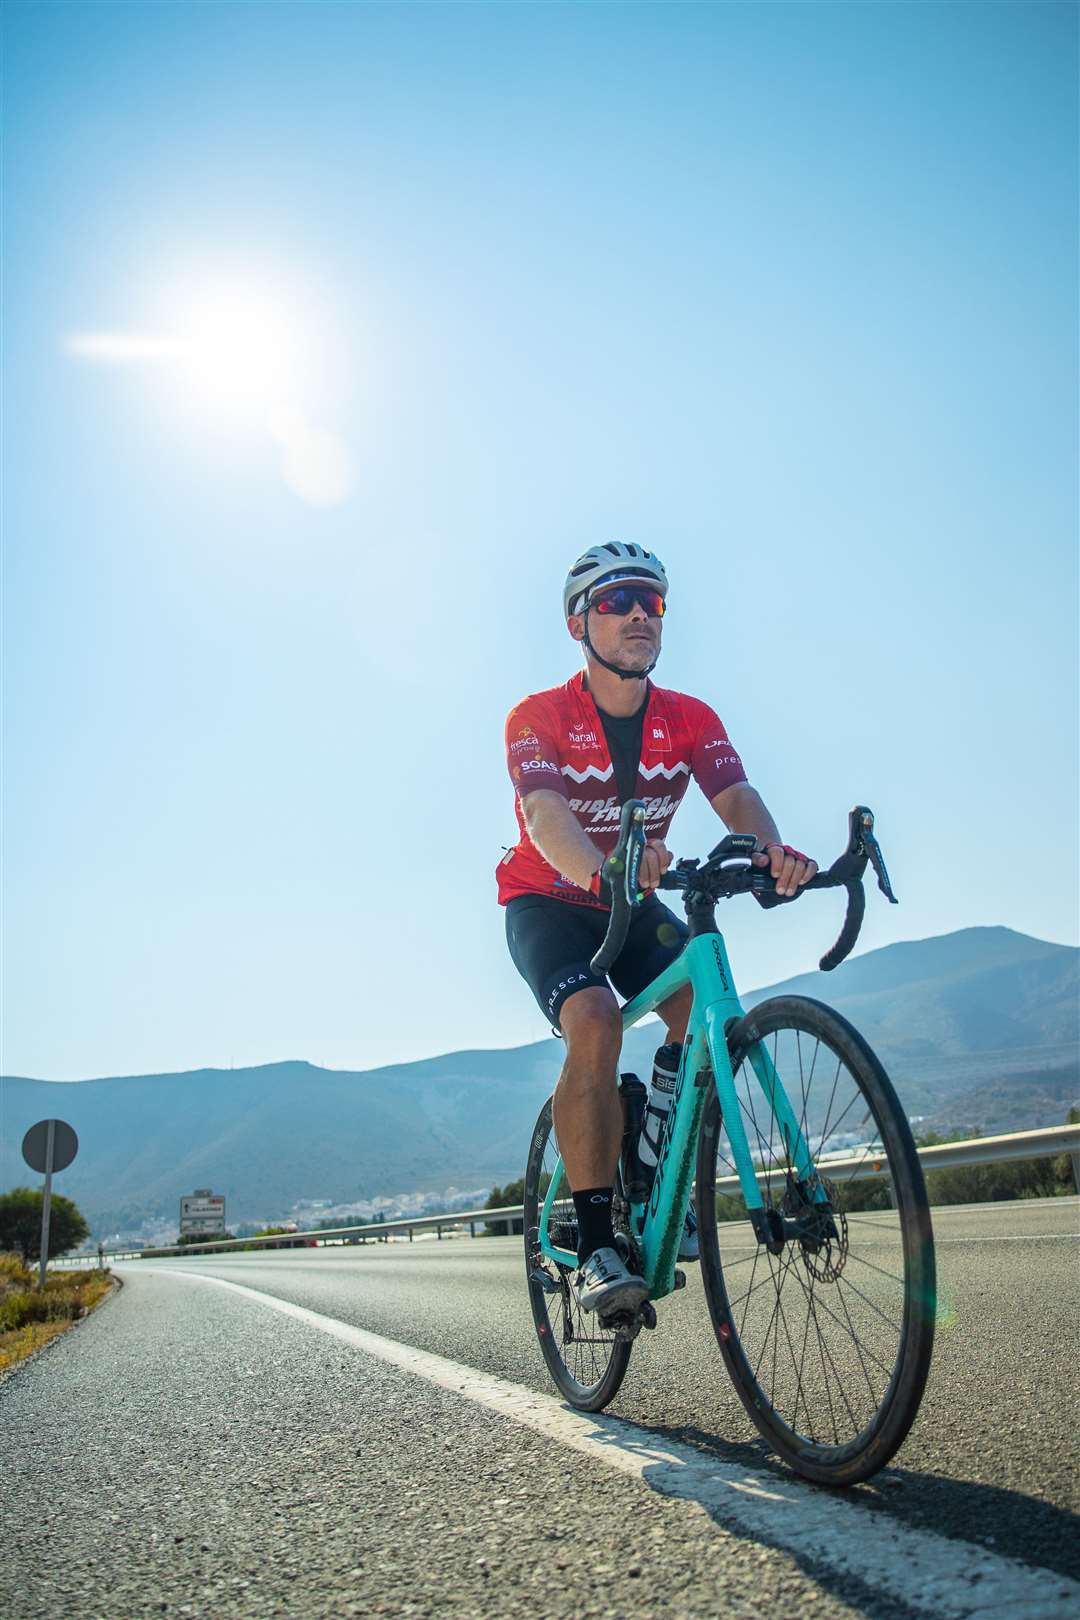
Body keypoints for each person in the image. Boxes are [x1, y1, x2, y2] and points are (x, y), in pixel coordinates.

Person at [498, 543, 817, 1318]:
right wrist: (599, 869)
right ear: (580, 620)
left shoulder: (689, 718)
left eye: (653, 602)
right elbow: (545, 816)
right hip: (551, 901)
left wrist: (769, 848)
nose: (641, 613)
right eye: (618, 601)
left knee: (694, 1004)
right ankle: (600, 1242)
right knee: (597, 1021)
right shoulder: (537, 717)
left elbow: (735, 794)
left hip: (634, 899)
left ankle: (653, 1154)